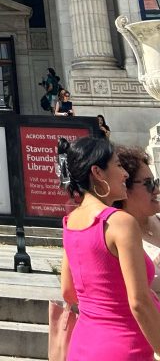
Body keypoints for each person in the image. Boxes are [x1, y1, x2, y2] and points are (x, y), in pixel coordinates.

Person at [60, 135, 160, 359]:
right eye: (117, 165)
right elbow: (139, 302)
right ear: (98, 173)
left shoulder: (71, 221)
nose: (125, 173)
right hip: (124, 346)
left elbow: (68, 290)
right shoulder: (119, 223)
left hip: (83, 345)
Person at [115, 145, 160, 291]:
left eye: (156, 182)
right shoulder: (115, 236)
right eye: (149, 184)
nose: (157, 190)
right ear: (124, 188)